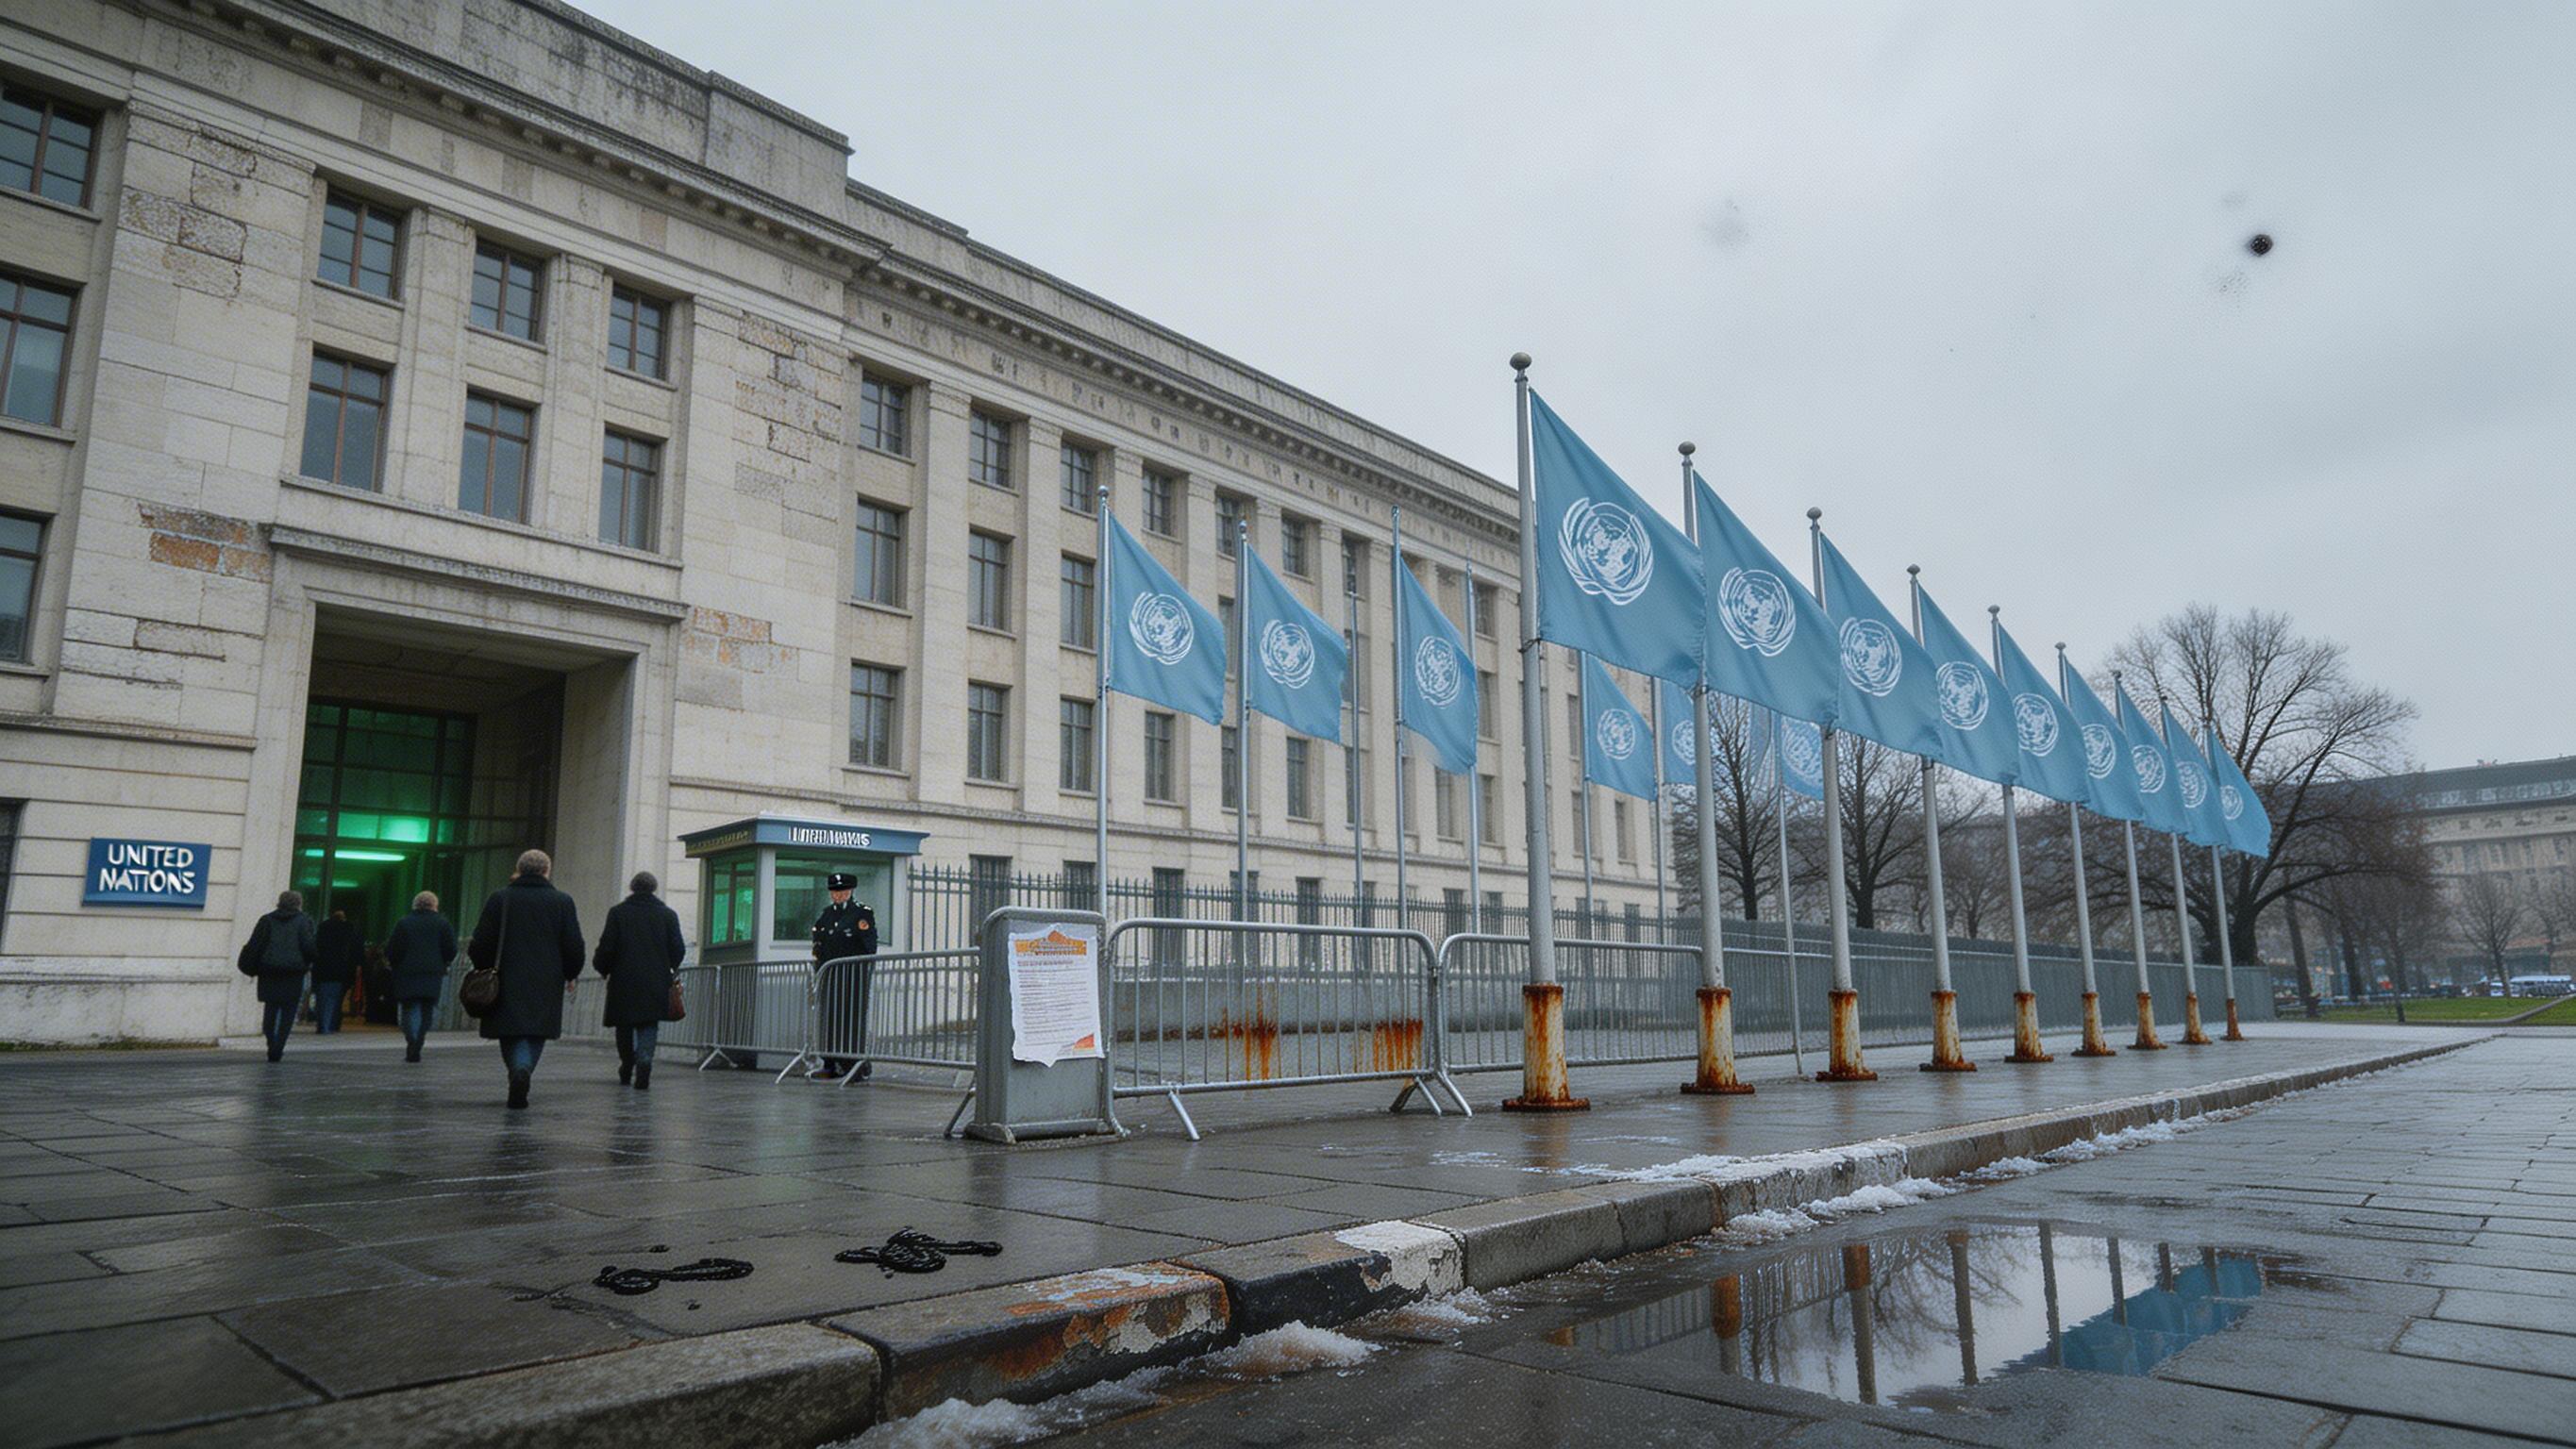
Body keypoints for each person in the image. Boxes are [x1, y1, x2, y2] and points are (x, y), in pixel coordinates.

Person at [465, 849, 585, 1109]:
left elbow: (481, 943)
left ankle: (518, 1068)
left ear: (519, 869)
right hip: (546, 978)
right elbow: (573, 944)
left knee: (510, 1030)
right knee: (535, 1030)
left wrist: (483, 967)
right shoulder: (562, 902)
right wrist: (570, 972)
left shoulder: (500, 899)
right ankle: (524, 1067)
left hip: (506, 976)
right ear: (546, 871)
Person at [593, 871, 687, 1091]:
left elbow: (607, 946)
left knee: (624, 1025)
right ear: (653, 888)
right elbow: (678, 948)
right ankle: (645, 1061)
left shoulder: (618, 914)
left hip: (623, 979)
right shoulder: (667, 915)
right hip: (656, 979)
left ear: (632, 887)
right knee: (648, 1024)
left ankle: (627, 1063)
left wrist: (603, 968)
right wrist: (669, 967)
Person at [238, 890, 317, 1062]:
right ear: (298, 904)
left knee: (271, 1009)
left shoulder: (266, 920)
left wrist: (252, 966)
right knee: (288, 1012)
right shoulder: (304, 921)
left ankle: (270, 1041)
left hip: (269, 971)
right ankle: (278, 1047)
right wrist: (311, 961)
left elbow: (255, 945)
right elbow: (308, 947)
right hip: (294, 973)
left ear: (280, 902)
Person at [382, 891, 457, 1062]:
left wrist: (395, 964)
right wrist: (443, 962)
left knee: (409, 1009)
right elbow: (451, 949)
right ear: (434, 905)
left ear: (415, 905)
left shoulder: (404, 923)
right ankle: (419, 1040)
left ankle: (412, 1040)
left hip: (407, 973)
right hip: (432, 973)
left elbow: (393, 949)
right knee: (427, 1009)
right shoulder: (442, 924)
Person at [811, 873, 867, 1077]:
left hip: (852, 979)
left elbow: (868, 947)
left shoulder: (861, 914)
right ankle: (830, 1063)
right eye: (834, 892)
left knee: (849, 1022)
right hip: (830, 977)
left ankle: (854, 1066)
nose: (838, 895)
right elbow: (818, 945)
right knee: (830, 1021)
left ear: (850, 891)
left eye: (842, 892)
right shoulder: (826, 915)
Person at [312, 908, 361, 1033]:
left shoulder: (323, 928)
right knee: (336, 999)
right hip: (341, 969)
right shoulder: (350, 930)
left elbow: (315, 947)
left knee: (322, 997)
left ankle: (323, 1024)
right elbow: (356, 951)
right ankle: (331, 1024)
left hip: (322, 968)